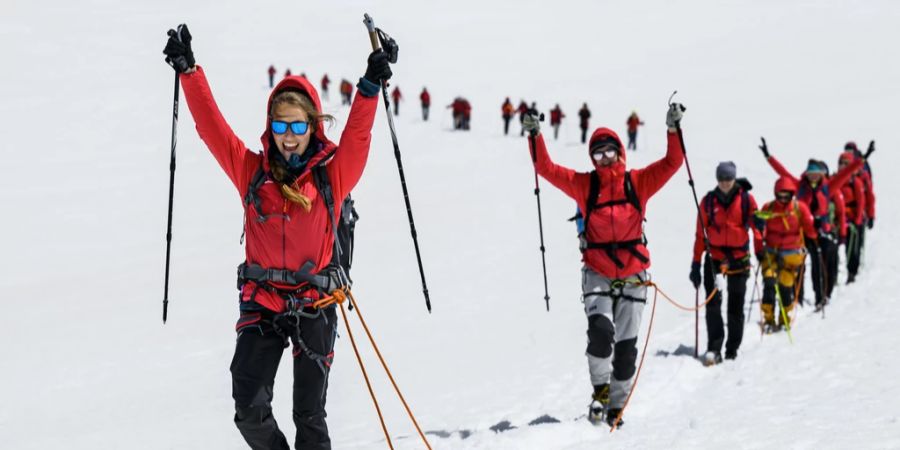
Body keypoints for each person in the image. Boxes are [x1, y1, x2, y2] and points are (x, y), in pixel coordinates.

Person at [163, 24, 393, 450]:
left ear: (312, 127)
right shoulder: (252, 173)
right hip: (263, 301)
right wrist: (189, 72)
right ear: (271, 127)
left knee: (309, 415)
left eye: (297, 128)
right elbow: (213, 129)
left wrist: (369, 85)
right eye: (280, 127)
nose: (289, 138)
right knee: (248, 408)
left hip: (315, 303)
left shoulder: (331, 177)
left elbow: (358, 138)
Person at [523, 103, 686, 427]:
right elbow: (547, 169)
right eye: (598, 155)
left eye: (609, 152)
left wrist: (672, 130)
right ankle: (601, 391)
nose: (605, 159)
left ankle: (617, 405)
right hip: (597, 270)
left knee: (625, 350)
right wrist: (536, 134)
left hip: (633, 274)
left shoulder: (637, 182)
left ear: (620, 152)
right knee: (600, 334)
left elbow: (672, 163)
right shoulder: (587, 186)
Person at [760, 139, 863, 310]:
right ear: (806, 173)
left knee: (819, 265)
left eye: (817, 172)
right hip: (802, 231)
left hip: (822, 232)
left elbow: (845, 174)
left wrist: (861, 160)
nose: (813, 175)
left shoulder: (828, 187)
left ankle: (820, 296)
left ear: (822, 174)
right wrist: (768, 156)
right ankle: (796, 298)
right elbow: (782, 172)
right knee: (798, 266)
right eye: (811, 172)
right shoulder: (800, 186)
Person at [689, 162, 760, 364]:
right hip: (714, 259)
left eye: (728, 179)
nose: (725, 183)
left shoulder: (746, 199)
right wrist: (695, 263)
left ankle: (732, 348)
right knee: (713, 304)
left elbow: (756, 225)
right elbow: (700, 234)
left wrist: (760, 239)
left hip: (739, 259)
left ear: (734, 178)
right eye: (721, 179)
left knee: (735, 306)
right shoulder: (708, 201)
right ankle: (714, 347)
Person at [753, 177, 817, 333]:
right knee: (769, 281)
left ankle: (784, 318)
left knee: (785, 284)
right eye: (780, 195)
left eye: (786, 195)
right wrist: (758, 249)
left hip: (792, 255)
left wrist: (814, 238)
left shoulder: (798, 208)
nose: (783, 199)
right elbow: (758, 230)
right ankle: (768, 319)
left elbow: (809, 228)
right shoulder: (769, 208)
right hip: (771, 253)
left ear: (791, 194)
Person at [838, 149, 874, 283]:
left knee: (853, 247)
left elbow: (862, 202)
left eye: (846, 163)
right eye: (841, 163)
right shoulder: (836, 180)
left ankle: (852, 271)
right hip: (839, 220)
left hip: (854, 220)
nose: (843, 166)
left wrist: (861, 219)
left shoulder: (856, 182)